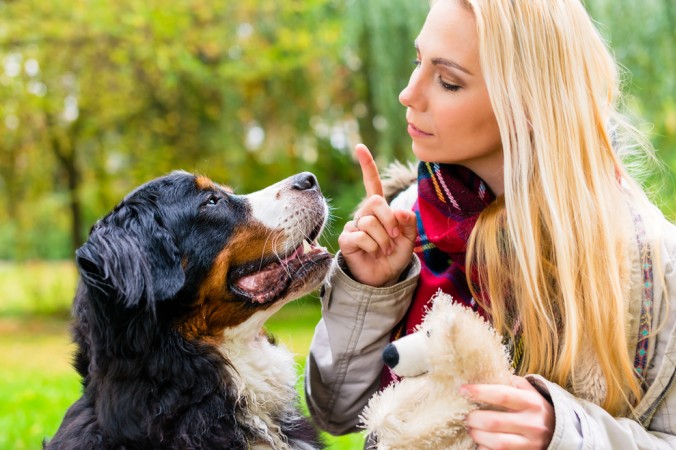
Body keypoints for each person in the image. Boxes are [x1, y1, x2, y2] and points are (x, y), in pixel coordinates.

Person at [304, 0, 676, 448]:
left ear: (528, 105)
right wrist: (370, 291)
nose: (408, 93)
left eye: (447, 81)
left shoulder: (652, 263)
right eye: (417, 61)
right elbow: (336, 413)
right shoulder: (407, 221)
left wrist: (564, 433)